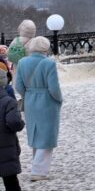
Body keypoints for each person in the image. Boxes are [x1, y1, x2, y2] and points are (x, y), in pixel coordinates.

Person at [15, 36, 63, 181]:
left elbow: (18, 86)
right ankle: (39, 171)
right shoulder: (49, 63)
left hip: (30, 101)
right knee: (46, 136)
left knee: (36, 135)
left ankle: (38, 167)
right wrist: (59, 99)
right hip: (47, 102)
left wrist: (29, 95)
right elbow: (54, 88)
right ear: (46, 48)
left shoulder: (22, 62)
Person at [0, 68, 23, 191]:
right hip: (6, 149)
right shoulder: (8, 102)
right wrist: (21, 123)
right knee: (11, 183)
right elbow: (13, 122)